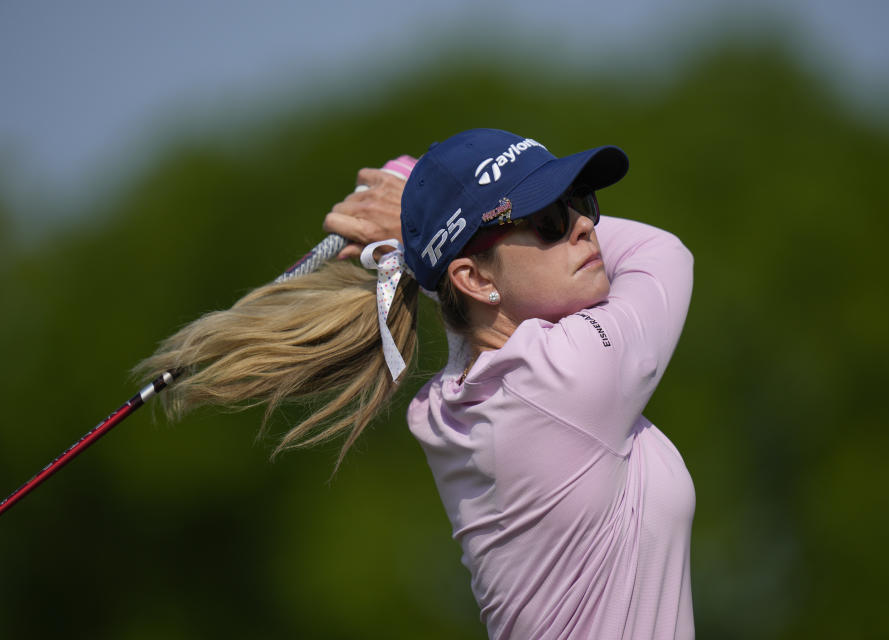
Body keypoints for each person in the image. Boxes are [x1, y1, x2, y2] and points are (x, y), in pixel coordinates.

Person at [138, 128, 695, 639]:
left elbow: (469, 307)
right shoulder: (564, 377)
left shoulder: (458, 393)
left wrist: (430, 241)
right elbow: (661, 253)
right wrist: (416, 224)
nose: (584, 226)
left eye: (581, 204)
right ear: (475, 278)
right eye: (549, 219)